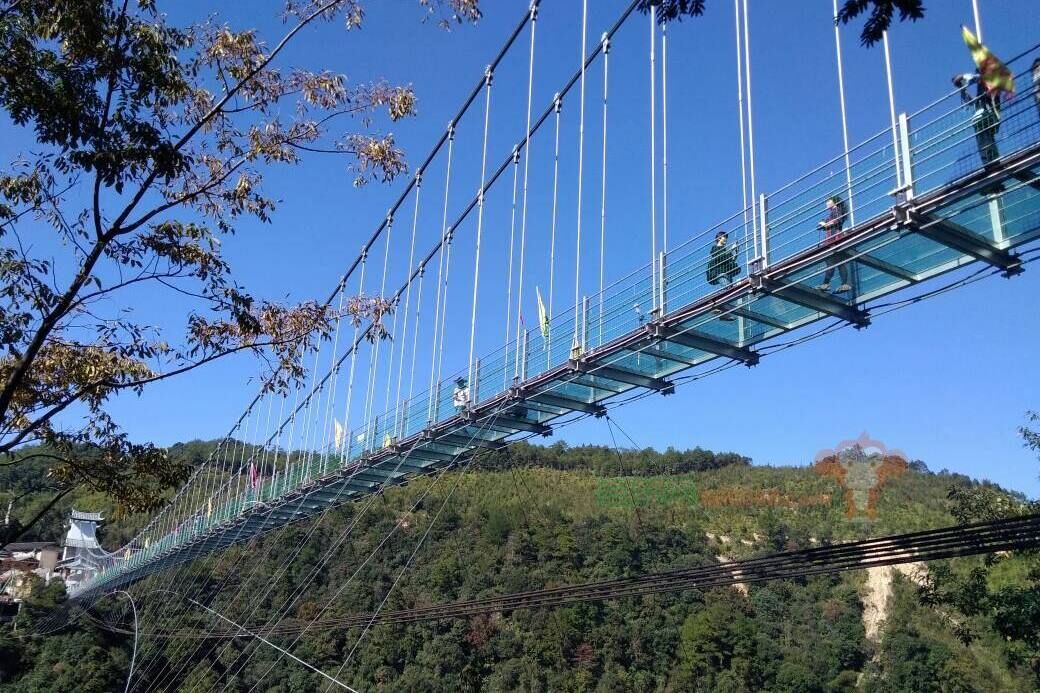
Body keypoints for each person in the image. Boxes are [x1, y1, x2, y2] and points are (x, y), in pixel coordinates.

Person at [954, 70, 1001, 166]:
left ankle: (992, 163)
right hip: (981, 118)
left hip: (987, 115)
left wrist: (963, 77)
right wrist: (962, 89)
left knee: (986, 142)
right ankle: (989, 164)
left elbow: (977, 78)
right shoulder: (981, 90)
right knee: (984, 143)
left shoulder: (988, 82)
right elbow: (971, 101)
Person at [816, 196, 851, 293]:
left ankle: (827, 284)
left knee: (832, 262)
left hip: (834, 240)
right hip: (833, 239)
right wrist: (824, 224)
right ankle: (841, 284)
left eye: (828, 201)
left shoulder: (837, 210)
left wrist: (825, 224)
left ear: (834, 202)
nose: (826, 203)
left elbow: (838, 220)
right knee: (837, 263)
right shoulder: (835, 211)